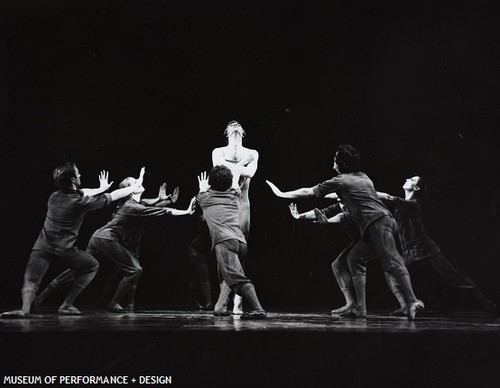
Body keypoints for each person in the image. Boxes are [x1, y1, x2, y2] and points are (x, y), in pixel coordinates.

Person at [267, 144, 424, 321]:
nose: (333, 161)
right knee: (354, 258)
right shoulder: (362, 177)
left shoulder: (340, 180)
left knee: (392, 262)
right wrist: (302, 216)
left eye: (335, 159)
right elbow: (336, 198)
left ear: (341, 163)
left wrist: (282, 194)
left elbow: (308, 192)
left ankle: (413, 301)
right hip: (381, 223)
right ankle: (360, 308)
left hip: (378, 223)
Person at [0, 163, 144, 318]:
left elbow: (82, 192)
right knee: (92, 266)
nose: (80, 175)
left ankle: (24, 310)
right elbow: (115, 195)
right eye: (78, 174)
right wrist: (137, 183)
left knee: (31, 279)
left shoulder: (54, 196)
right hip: (65, 250)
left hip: (42, 246)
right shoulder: (80, 203)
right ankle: (67, 304)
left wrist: (101, 188)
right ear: (73, 179)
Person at [34, 175, 195, 313]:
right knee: (135, 269)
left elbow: (149, 204)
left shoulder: (131, 204)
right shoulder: (132, 206)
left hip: (97, 237)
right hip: (106, 239)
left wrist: (163, 200)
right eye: (135, 182)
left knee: (78, 269)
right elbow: (162, 211)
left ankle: (41, 298)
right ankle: (114, 302)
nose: (139, 183)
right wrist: (186, 211)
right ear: (130, 190)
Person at [378, 176, 497, 315]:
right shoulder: (401, 206)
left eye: (412, 180)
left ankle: (487, 303)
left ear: (416, 188)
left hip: (426, 249)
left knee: (454, 278)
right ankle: (416, 305)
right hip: (409, 252)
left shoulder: (414, 204)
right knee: (395, 274)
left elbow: (390, 198)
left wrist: (366, 191)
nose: (407, 178)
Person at [197, 166, 266, 319]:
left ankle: (258, 308)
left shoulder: (205, 199)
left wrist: (203, 188)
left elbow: (201, 195)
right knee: (227, 275)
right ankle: (220, 306)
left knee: (236, 279)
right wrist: (234, 179)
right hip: (240, 242)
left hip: (225, 242)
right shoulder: (235, 196)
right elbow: (235, 187)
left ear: (210, 183)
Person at [212, 120, 259, 314]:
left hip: (242, 206)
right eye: (231, 125)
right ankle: (223, 299)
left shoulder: (253, 153)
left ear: (243, 131)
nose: (235, 125)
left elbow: (249, 173)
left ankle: (237, 300)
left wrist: (242, 166)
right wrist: (241, 163)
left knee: (240, 252)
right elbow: (220, 172)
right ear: (226, 131)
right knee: (223, 253)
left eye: (238, 124)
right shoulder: (218, 151)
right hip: (223, 205)